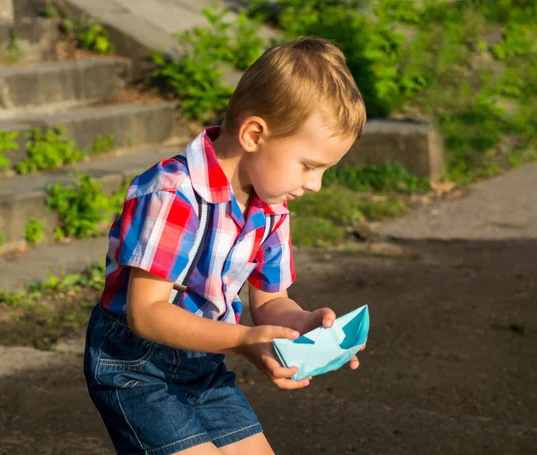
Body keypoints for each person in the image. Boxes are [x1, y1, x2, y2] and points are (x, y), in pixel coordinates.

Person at [84, 35, 367, 455]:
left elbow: (270, 300)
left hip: (202, 364)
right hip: (136, 369)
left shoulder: (270, 207)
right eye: (309, 166)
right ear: (254, 134)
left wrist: (301, 327)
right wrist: (242, 340)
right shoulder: (173, 192)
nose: (315, 184)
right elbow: (146, 314)